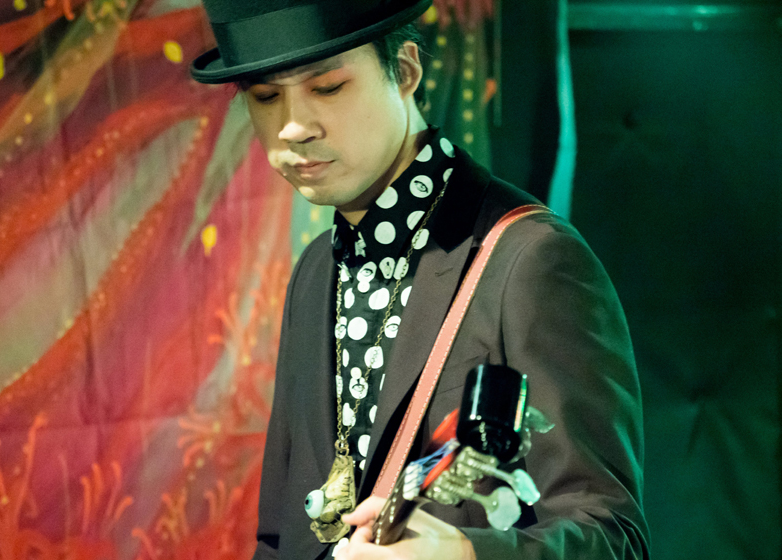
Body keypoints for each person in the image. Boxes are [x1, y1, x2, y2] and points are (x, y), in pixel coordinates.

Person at [190, 1, 649, 559]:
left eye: (328, 87)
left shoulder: (531, 259)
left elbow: (613, 536)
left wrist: (468, 555)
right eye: (265, 97)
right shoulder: (315, 270)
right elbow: (280, 536)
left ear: (406, 71)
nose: (293, 127)